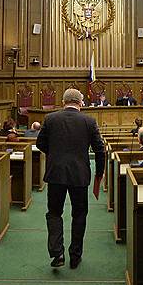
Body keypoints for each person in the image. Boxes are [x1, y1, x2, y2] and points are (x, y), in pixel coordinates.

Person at [36, 88, 105, 269]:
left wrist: (54, 154)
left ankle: (57, 252)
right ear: (80, 103)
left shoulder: (51, 119)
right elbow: (100, 149)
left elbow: (40, 143)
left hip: (56, 173)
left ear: (63, 102)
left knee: (54, 212)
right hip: (79, 174)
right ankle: (75, 256)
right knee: (79, 214)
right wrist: (99, 173)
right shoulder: (89, 121)